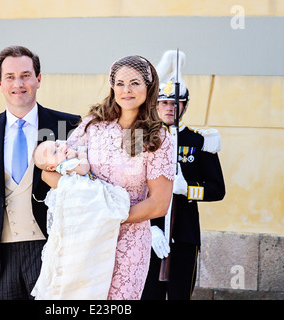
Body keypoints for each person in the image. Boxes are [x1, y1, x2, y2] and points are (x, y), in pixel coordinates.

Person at [0, 45, 81, 300]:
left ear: (38, 79)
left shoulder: (67, 125)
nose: (18, 83)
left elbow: (82, 192)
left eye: (25, 75)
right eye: (10, 77)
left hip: (53, 250)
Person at [42, 55, 175, 300]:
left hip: (128, 241)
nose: (127, 90)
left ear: (149, 86)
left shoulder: (159, 138)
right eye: (120, 82)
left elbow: (159, 204)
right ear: (112, 86)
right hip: (85, 236)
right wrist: (87, 203)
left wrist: (109, 217)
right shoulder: (93, 126)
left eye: (135, 83)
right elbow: (49, 172)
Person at [141, 50, 226, 300]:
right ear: (155, 104)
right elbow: (128, 189)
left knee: (180, 296)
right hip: (147, 234)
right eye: (164, 102)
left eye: (175, 102)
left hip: (184, 234)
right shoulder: (139, 138)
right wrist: (150, 228)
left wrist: (186, 188)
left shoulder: (200, 141)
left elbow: (216, 189)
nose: (170, 107)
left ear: (184, 106)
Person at [31, 140, 129, 299]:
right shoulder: (65, 166)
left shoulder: (65, 163)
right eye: (55, 152)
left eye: (56, 145)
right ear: (51, 168)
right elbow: (84, 169)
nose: (60, 148)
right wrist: (80, 153)